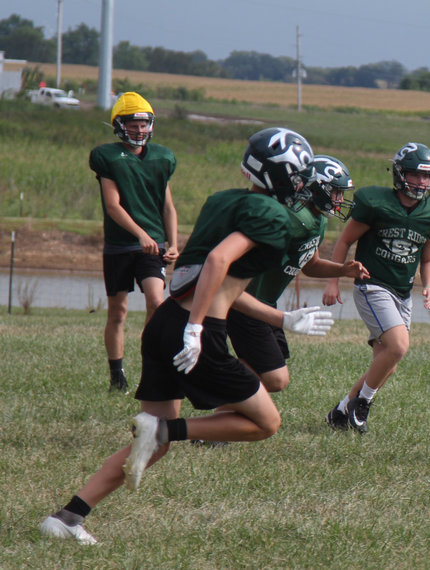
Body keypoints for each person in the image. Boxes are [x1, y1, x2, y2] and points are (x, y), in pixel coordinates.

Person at [39, 127, 334, 545]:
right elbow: (218, 261)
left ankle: (67, 517)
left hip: (164, 324)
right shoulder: (273, 216)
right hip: (195, 332)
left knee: (151, 441)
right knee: (265, 422)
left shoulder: (226, 200)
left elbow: (212, 280)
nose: (306, 182)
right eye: (300, 174)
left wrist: (281, 319)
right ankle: (170, 432)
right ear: (283, 176)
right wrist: (197, 328)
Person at [322, 142, 430, 433]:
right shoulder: (374, 202)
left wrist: (429, 285)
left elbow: (429, 258)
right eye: (415, 175)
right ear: (399, 174)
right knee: (399, 346)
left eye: (427, 176)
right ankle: (363, 404)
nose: (422, 182)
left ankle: (342, 411)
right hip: (372, 285)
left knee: (387, 363)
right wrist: (334, 279)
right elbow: (344, 242)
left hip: (403, 293)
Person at [227, 155, 367, 393]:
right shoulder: (293, 218)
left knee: (271, 368)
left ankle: (229, 403)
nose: (340, 200)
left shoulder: (315, 220)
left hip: (266, 303)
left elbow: (310, 266)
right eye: (336, 192)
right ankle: (215, 378)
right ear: (317, 187)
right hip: (246, 302)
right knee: (275, 378)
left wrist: (342, 270)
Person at [90, 92, 179, 393]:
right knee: (118, 312)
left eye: (144, 124)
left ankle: (152, 367)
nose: (139, 130)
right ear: (119, 125)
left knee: (157, 301)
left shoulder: (162, 158)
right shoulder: (107, 156)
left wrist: (173, 242)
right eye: (133, 124)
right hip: (120, 244)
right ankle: (117, 375)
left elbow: (167, 206)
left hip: (152, 245)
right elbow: (113, 205)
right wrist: (140, 234)